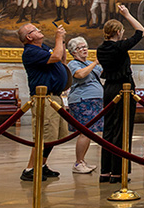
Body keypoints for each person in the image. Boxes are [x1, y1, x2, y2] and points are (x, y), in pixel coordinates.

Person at [96, 5, 144, 183]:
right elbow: (141, 31)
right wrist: (127, 14)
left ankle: (105, 171)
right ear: (117, 31)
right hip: (123, 88)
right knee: (122, 130)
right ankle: (118, 172)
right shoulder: (119, 47)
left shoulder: (101, 49)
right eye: (122, 30)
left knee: (109, 129)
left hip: (108, 88)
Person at [17, 23, 68, 182]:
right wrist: (58, 38)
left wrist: (62, 41)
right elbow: (56, 57)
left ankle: (42, 165)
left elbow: (62, 58)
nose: (39, 30)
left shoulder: (43, 47)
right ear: (29, 37)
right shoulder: (30, 52)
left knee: (54, 136)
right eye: (35, 29)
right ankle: (30, 169)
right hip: (44, 98)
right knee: (43, 135)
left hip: (55, 97)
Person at [66, 37, 101, 174]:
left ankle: (82, 160)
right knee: (85, 132)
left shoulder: (89, 63)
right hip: (82, 100)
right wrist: (95, 63)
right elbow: (80, 75)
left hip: (95, 100)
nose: (85, 49)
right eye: (81, 48)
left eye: (85, 46)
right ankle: (78, 162)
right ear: (74, 52)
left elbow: (102, 72)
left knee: (90, 132)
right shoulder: (73, 64)